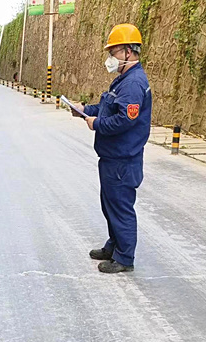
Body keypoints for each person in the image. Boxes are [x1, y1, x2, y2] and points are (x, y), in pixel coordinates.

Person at [71, 24, 152, 273]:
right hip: (112, 158)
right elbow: (109, 108)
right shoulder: (123, 81)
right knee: (110, 206)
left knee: (120, 208)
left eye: (114, 52)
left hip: (123, 160)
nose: (111, 58)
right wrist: (85, 110)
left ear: (129, 51)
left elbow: (124, 120)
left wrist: (96, 124)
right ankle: (114, 246)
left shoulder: (133, 83)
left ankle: (124, 258)